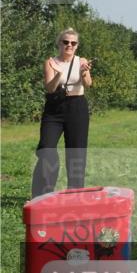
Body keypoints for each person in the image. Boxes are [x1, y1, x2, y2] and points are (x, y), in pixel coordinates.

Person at [32, 28, 93, 198]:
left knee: (77, 152)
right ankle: (42, 195)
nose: (69, 45)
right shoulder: (50, 62)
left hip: (77, 107)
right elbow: (50, 88)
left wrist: (84, 73)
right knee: (46, 149)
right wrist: (58, 74)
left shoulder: (82, 61)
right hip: (54, 109)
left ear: (77, 45)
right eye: (66, 42)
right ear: (59, 43)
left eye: (73, 43)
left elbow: (88, 83)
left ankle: (75, 194)